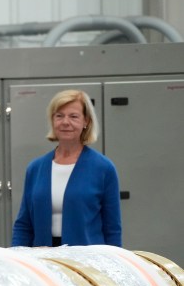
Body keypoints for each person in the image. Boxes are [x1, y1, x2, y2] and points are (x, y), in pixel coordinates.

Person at [11, 89, 121, 247]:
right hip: (43, 259)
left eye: (73, 116)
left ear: (86, 122)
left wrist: (114, 267)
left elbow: (112, 229)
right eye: (59, 116)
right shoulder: (35, 168)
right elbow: (24, 225)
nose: (65, 122)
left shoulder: (103, 168)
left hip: (86, 262)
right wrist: (16, 256)